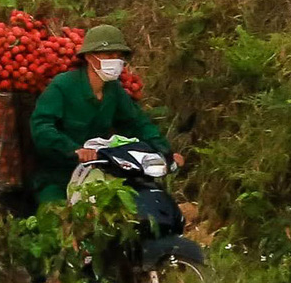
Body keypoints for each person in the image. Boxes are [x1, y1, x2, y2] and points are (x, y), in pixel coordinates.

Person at [29, 24, 182, 206]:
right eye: (109, 55)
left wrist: (164, 151)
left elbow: (136, 123)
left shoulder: (114, 90)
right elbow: (41, 126)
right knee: (57, 219)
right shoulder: (63, 86)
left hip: (98, 173)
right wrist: (73, 150)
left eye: (119, 56)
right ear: (88, 56)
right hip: (57, 176)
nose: (115, 61)